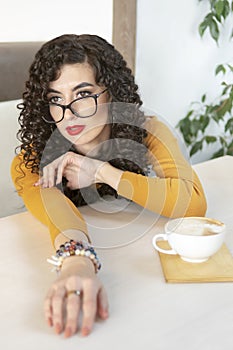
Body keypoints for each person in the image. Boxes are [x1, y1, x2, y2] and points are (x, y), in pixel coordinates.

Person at [11, 33, 207, 338]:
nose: (69, 112)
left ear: (111, 92)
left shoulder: (148, 131)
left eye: (83, 94)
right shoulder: (33, 160)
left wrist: (102, 172)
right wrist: (77, 263)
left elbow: (191, 203)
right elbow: (58, 213)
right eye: (55, 99)